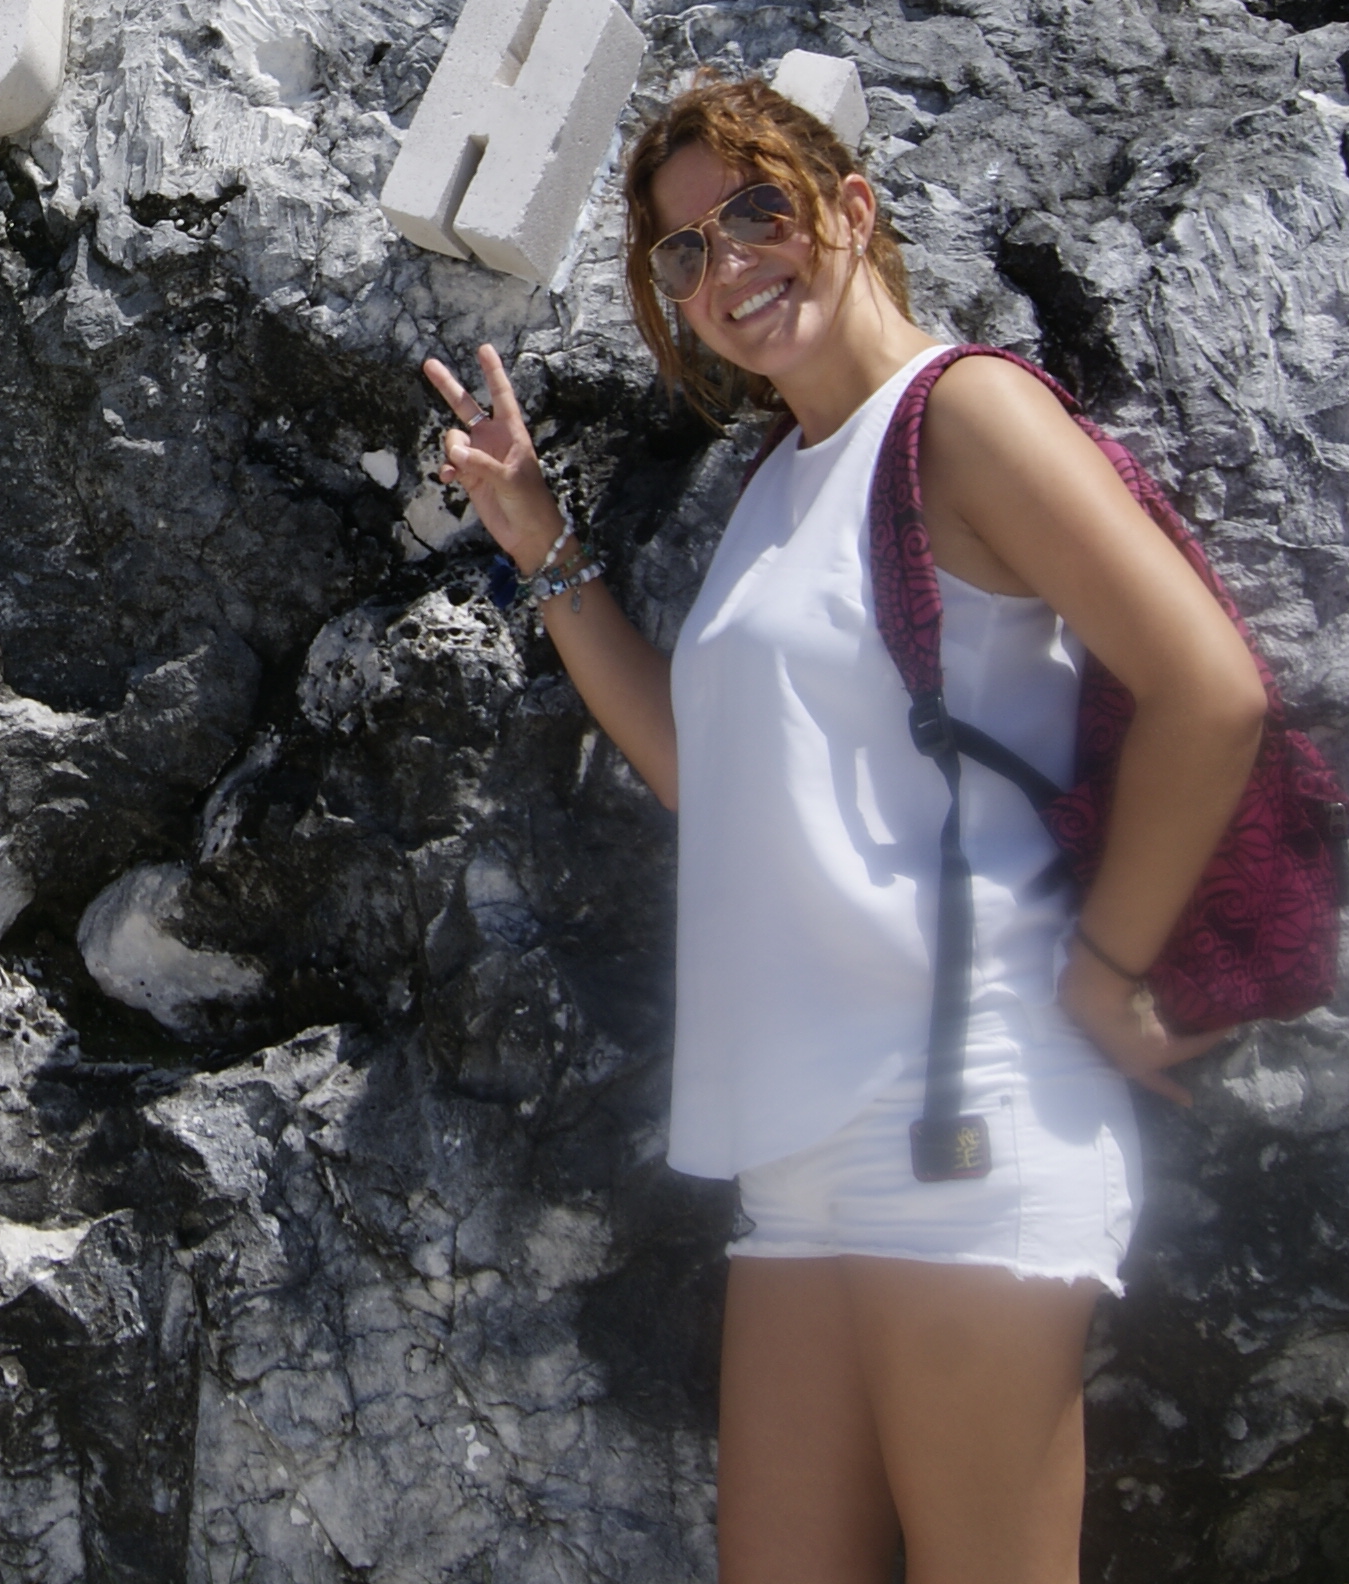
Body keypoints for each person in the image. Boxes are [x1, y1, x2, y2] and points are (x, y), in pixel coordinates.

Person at [421, 76, 1266, 1584]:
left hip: (963, 1105)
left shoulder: (967, 415)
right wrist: (543, 540)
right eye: (685, 250)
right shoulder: (782, 477)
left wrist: (1105, 973)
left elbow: (1210, 692)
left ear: (853, 209)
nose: (728, 263)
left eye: (760, 209)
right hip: (797, 1148)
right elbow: (710, 779)